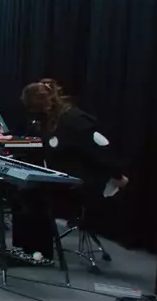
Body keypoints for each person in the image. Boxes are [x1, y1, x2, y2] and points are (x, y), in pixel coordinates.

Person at [10, 80, 128, 261]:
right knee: (23, 190)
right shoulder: (46, 121)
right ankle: (25, 249)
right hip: (61, 178)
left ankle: (40, 254)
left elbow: (101, 151)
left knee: (33, 196)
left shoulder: (75, 120)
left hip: (82, 182)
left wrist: (117, 175)